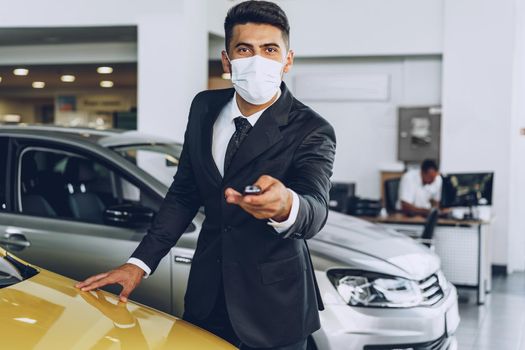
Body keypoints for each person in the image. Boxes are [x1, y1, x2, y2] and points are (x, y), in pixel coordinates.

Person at [75, 2, 336, 350]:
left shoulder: (312, 128)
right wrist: (139, 264)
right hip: (207, 297)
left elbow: (315, 207)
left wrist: (286, 206)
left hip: (275, 308)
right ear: (227, 61)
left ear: (287, 60)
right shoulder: (204, 108)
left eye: (270, 50)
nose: (258, 60)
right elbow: (184, 193)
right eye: (245, 49)